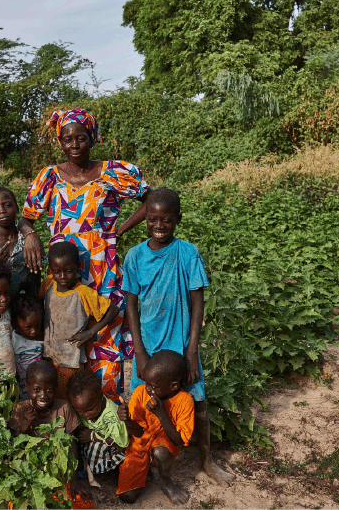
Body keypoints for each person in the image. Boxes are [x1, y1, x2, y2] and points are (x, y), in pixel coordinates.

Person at [20, 108, 149, 402]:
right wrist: (30, 235)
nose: (74, 145)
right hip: (62, 267)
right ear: (60, 142)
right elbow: (26, 217)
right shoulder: (50, 177)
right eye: (67, 139)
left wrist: (119, 231)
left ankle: (105, 417)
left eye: (81, 138)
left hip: (101, 268)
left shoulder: (115, 172)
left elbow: (151, 198)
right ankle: (66, 417)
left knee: (103, 333)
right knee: (64, 333)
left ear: (92, 138)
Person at [122, 187, 233, 487]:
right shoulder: (134, 257)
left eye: (167, 220)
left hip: (180, 343)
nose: (159, 226)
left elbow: (198, 302)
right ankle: (150, 457)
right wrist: (140, 353)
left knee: (198, 402)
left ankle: (206, 461)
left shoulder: (187, 253)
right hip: (149, 343)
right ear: (144, 218)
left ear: (178, 220)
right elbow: (130, 305)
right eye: (152, 219)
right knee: (142, 404)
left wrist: (191, 350)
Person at [8, 360, 93, 504]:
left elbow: (71, 444)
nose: (43, 396)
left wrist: (74, 479)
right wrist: (25, 427)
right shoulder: (21, 409)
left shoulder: (64, 408)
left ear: (56, 388)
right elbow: (14, 446)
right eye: (36, 390)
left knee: (80, 503)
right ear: (26, 388)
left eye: (49, 390)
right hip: (31, 472)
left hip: (60, 471)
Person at [41, 242, 119, 400]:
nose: (62, 276)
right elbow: (38, 302)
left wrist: (90, 332)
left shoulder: (83, 293)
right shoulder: (48, 284)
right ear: (51, 270)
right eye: (57, 271)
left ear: (77, 268)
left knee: (67, 399)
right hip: (49, 356)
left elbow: (113, 310)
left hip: (70, 360)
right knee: (51, 398)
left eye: (68, 271)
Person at [117, 350, 194, 504]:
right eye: (146, 383)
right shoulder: (140, 393)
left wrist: (161, 414)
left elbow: (179, 440)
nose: (148, 389)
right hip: (140, 443)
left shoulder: (185, 401)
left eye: (153, 386)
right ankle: (146, 469)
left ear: (173, 386)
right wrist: (128, 421)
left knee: (160, 452)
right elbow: (138, 433)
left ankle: (165, 480)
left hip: (164, 444)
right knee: (127, 497)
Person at [67, 369, 129, 488]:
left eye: (90, 409)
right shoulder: (81, 408)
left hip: (114, 446)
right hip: (92, 443)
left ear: (100, 397)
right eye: (81, 411)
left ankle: (114, 469)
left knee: (96, 449)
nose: (86, 415)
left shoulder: (111, 415)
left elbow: (122, 445)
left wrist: (92, 436)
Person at [11, 293, 44, 399]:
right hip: (18, 385)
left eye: (37, 326)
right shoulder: (13, 339)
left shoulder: (42, 338)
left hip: (37, 386)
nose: (34, 331)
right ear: (15, 324)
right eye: (28, 328)